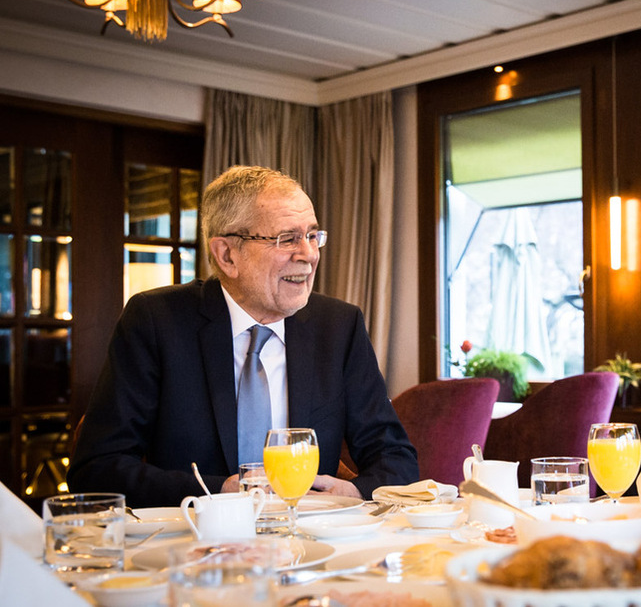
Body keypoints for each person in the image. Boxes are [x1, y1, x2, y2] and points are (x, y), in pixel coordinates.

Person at [68, 165, 418, 507]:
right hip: (195, 547)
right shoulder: (156, 322)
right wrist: (217, 492)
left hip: (312, 546)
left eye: (312, 236)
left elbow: (396, 458)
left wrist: (354, 493)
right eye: (287, 239)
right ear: (227, 255)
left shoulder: (339, 327)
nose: (309, 255)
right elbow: (97, 470)